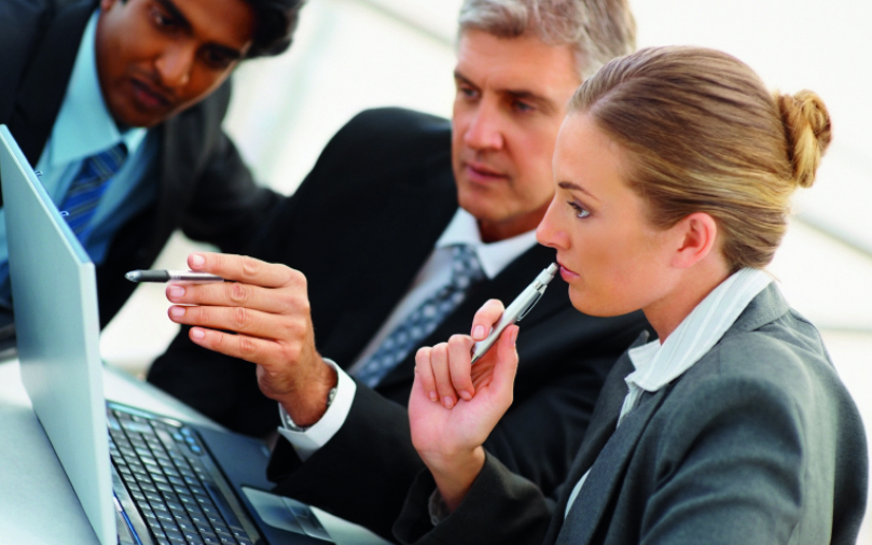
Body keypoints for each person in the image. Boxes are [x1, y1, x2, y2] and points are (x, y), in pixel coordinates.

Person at [146, 0, 648, 538]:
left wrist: (317, 394)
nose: (478, 135)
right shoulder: (375, 149)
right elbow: (203, 362)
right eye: (468, 91)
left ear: (597, 128)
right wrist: (152, 456)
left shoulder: (608, 311)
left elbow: (479, 497)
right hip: (186, 476)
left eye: (521, 105)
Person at [391, 45, 869, 545]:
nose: (545, 232)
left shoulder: (751, 401)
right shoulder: (667, 354)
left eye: (578, 207)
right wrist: (456, 463)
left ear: (690, 239)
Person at [0, 0, 304, 458]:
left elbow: (259, 224)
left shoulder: (196, 113)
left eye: (214, 57)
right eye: (166, 22)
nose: (175, 74)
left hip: (15, 389)